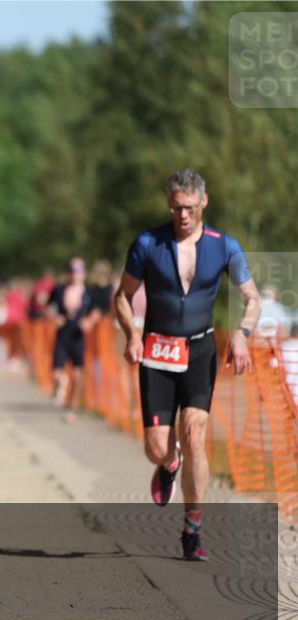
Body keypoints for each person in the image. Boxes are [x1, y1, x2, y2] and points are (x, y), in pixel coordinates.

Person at [114, 168, 261, 562]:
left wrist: (242, 334)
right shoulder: (147, 244)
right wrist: (131, 334)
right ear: (169, 204)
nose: (183, 216)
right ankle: (169, 461)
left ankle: (192, 531)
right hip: (158, 352)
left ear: (204, 203)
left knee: (195, 434)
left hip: (199, 351)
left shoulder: (224, 246)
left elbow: (253, 299)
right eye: (177, 208)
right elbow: (122, 297)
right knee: (156, 448)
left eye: (190, 208)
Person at [48, 258, 99, 423]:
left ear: (83, 273)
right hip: (63, 334)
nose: (75, 274)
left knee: (78, 374)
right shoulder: (59, 289)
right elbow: (49, 307)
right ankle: (61, 385)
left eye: (78, 270)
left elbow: (96, 311)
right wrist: (55, 317)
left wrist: (89, 322)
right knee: (56, 373)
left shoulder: (89, 292)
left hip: (78, 335)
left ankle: (72, 407)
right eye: (72, 270)